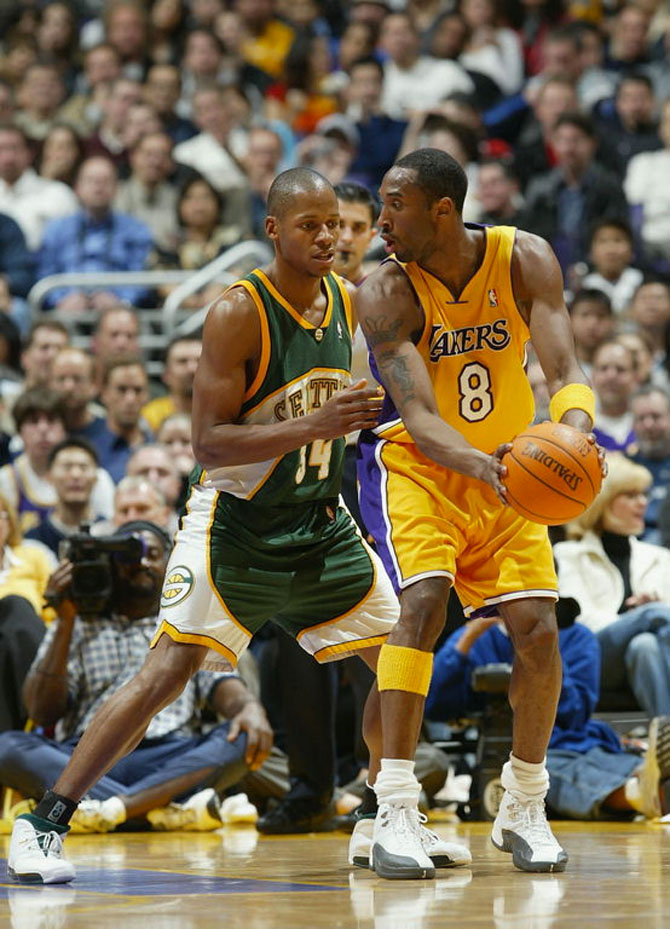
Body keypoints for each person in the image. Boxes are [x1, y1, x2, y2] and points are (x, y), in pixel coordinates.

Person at [8, 166, 471, 884]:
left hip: (320, 525)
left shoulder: (351, 307)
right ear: (273, 230)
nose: (328, 237)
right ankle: (46, 822)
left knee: (401, 657)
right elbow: (208, 443)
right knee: (167, 669)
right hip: (238, 525)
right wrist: (317, 422)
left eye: (336, 225)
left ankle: (388, 807)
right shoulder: (238, 311)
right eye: (310, 225)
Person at [354, 147, 600, 874]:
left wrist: (576, 433)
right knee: (422, 606)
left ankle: (523, 798)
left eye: (395, 205)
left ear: (442, 209)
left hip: (512, 475)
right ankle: (394, 802)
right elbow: (420, 415)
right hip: (424, 471)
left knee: (538, 629)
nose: (381, 220)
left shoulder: (524, 258)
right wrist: (484, 466)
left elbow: (564, 369)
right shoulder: (385, 291)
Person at [0, 520, 273, 833]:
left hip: (168, 755)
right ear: (112, 566)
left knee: (239, 738)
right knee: (7, 747)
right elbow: (41, 711)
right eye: (129, 556)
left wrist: (248, 707)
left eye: (152, 554)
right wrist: (65, 621)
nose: (141, 563)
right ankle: (159, 808)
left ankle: (110, 810)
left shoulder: (187, 622)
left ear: (170, 563)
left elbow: (225, 687)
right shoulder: (79, 620)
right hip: (87, 756)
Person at [426, 614, 670, 821]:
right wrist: (467, 638)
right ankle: (645, 793)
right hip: (514, 749)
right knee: (538, 771)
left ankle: (648, 785)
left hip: (574, 739)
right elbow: (434, 705)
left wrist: (542, 654)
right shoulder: (480, 637)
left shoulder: (577, 636)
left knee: (611, 764)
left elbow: (577, 712)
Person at [554, 453, 670, 716]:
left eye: (643, 495)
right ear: (603, 502)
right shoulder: (568, 554)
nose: (643, 503)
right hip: (595, 654)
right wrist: (637, 617)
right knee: (652, 616)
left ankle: (665, 739)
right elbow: (580, 620)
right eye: (630, 496)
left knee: (645, 646)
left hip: (649, 653)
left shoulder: (660, 557)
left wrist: (650, 613)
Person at [36, 156, 154, 313]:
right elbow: (44, 273)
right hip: (65, 311)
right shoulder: (56, 229)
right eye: (91, 180)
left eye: (105, 181)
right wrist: (60, 300)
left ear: (116, 188)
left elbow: (142, 276)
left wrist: (122, 301)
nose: (99, 186)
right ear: (77, 187)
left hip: (119, 312)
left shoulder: (136, 229)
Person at [0, 492, 54, 732]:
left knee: (18, 608)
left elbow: (56, 611)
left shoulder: (33, 556)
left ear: (9, 522)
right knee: (14, 606)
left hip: (35, 646)